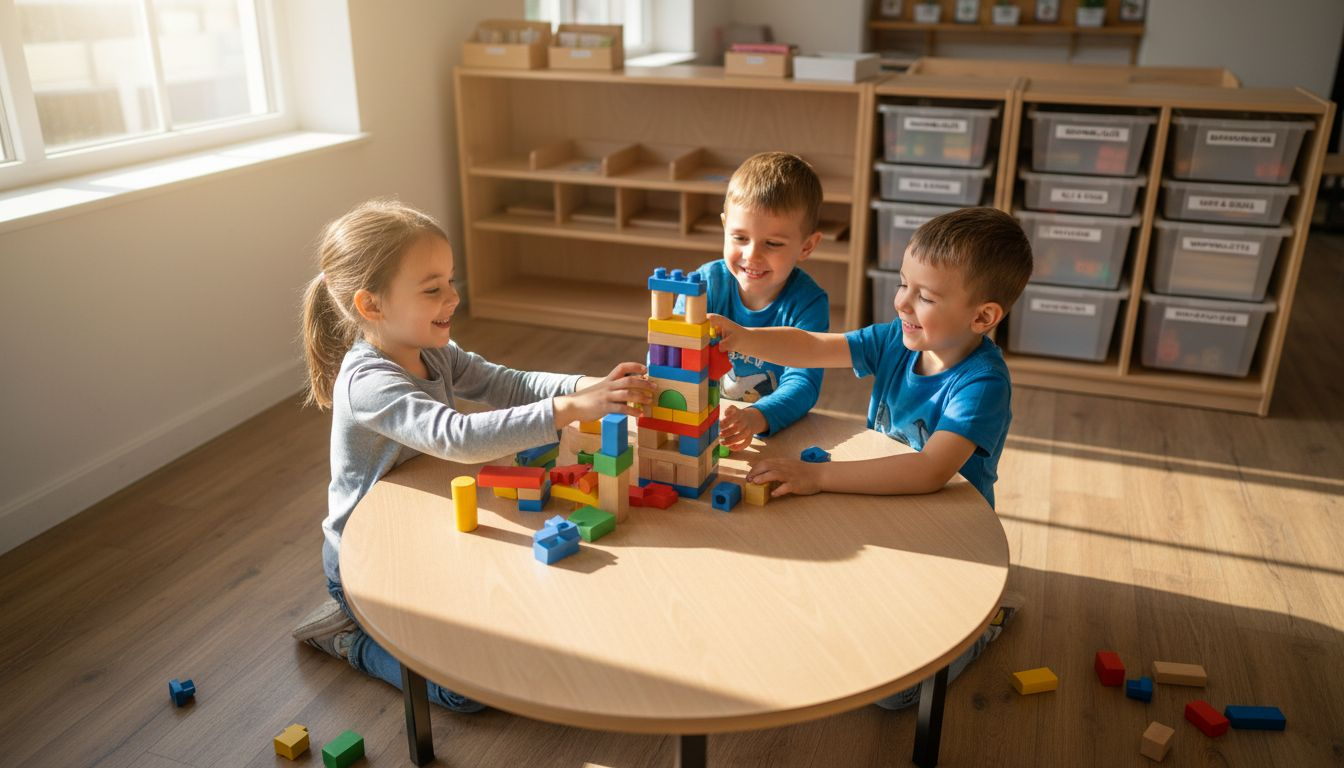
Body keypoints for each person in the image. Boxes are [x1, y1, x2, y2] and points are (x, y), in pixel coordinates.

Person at [292, 199, 653, 712]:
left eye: (451, 280)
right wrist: (569, 407)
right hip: (369, 560)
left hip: (427, 528)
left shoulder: (432, 347)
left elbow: (508, 383)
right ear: (372, 306)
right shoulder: (367, 382)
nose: (454, 297)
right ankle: (346, 638)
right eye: (432, 288)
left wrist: (588, 386)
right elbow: (456, 436)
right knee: (462, 693)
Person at [708, 206, 1033, 707]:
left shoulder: (981, 382)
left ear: (983, 317)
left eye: (924, 296)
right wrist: (745, 337)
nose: (902, 303)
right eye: (904, 284)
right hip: (877, 504)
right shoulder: (895, 341)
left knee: (894, 697)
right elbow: (815, 346)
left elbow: (928, 471)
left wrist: (819, 475)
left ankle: (981, 629)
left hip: (947, 528)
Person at [675, 151, 829, 450]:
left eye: (772, 243)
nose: (752, 256)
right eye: (740, 238)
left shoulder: (809, 303)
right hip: (700, 427)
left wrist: (756, 417)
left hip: (772, 432)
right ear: (724, 227)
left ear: (807, 246)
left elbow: (803, 384)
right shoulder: (704, 286)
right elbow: (671, 355)